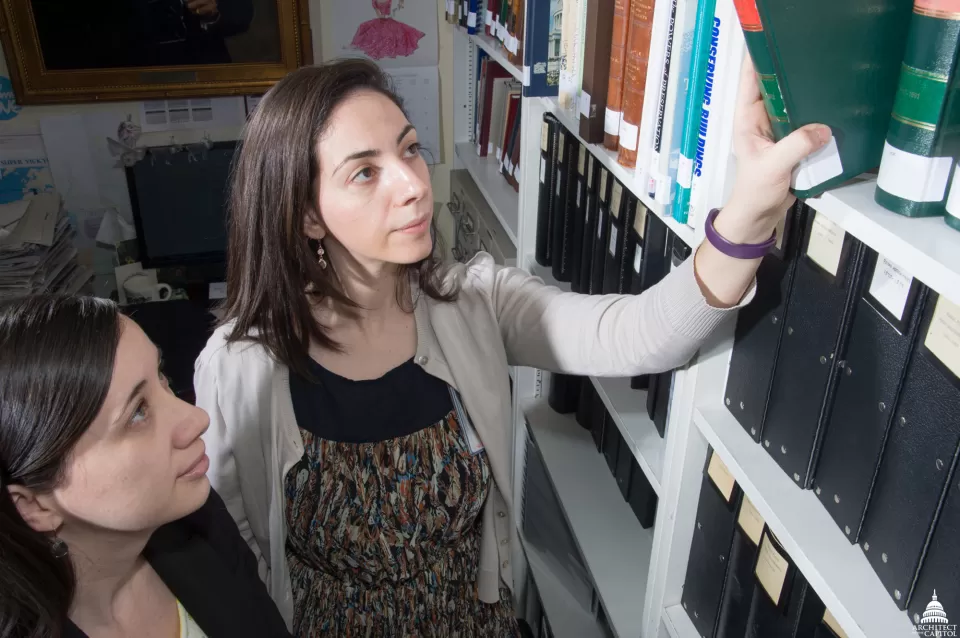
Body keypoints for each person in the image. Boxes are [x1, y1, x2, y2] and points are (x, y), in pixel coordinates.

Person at [196, 57, 831, 636]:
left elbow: (638, 334)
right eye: (365, 172)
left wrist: (748, 213)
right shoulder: (240, 368)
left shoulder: (473, 302)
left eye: (410, 150)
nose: (413, 183)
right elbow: (238, 554)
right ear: (307, 214)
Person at [0, 295, 290, 638]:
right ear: (34, 505)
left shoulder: (200, 523)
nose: (196, 418)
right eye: (137, 413)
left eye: (162, 377)